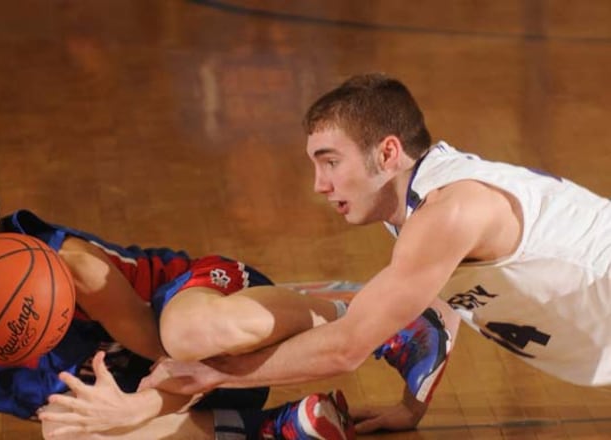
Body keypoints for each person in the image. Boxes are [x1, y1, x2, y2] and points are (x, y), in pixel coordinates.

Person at [140, 72, 611, 431]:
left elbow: (346, 349)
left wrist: (212, 374)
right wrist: (411, 407)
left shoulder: (450, 210)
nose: (319, 185)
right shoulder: (416, 208)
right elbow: (442, 306)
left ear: (387, 154)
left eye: (331, 162)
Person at [0, 155, 449, 439]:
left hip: (201, 312)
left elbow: (175, 358)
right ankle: (282, 427)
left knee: (188, 334)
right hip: (187, 390)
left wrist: (140, 407)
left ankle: (375, 317)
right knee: (71, 431)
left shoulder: (71, 270)